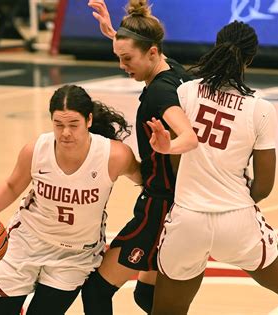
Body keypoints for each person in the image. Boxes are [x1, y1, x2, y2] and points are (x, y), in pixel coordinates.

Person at [147, 21, 278, 315]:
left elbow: (177, 160)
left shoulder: (186, 93)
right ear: (251, 59)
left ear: (216, 47)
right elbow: (264, 186)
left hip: (188, 218)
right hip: (238, 221)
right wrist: (233, 199)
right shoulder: (261, 109)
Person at [0, 84, 142, 315]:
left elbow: (148, 182)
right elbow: (11, 186)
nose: (65, 132)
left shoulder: (115, 155)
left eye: (73, 125)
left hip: (75, 254)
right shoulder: (36, 150)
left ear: (89, 120)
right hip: (26, 242)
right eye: (58, 124)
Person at [82, 0, 197, 314]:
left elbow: (188, 136)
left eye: (127, 58)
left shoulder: (160, 94)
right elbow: (142, 45)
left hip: (159, 208)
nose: (122, 66)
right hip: (177, 201)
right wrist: (113, 33)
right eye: (118, 57)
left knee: (96, 291)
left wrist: (167, 147)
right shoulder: (172, 70)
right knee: (147, 296)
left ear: (152, 52)